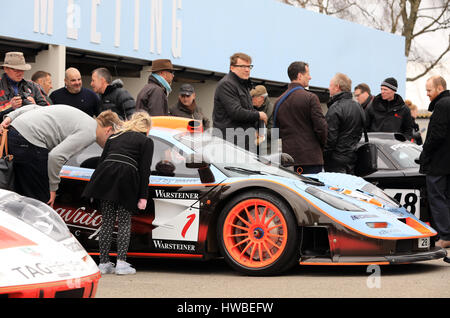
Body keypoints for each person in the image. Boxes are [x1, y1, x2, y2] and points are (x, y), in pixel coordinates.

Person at [0, 105, 121, 207]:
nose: (113, 143)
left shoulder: (82, 117)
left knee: (21, 198)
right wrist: (52, 189)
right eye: (114, 137)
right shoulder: (90, 132)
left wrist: (10, 117)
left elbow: (35, 107)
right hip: (31, 141)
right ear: (108, 130)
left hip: (14, 131)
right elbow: (56, 156)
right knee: (40, 203)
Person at [82, 112, 154, 275]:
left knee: (106, 222)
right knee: (124, 221)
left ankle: (104, 263)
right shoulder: (146, 141)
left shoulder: (114, 137)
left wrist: (93, 186)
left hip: (106, 176)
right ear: (146, 127)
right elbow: (144, 170)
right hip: (127, 178)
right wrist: (143, 196)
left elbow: (101, 162)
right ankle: (121, 263)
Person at [274, 61, 327, 174]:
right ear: (299, 75)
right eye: (308, 74)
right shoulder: (311, 98)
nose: (310, 77)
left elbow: (276, 131)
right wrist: (320, 146)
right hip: (311, 159)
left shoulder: (278, 102)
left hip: (288, 160)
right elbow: (321, 128)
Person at [418, 76, 450, 248]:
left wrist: (425, 153)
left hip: (438, 163)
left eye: (429, 90)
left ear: (439, 88)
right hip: (446, 163)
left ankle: (445, 236)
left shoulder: (442, 105)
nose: (427, 94)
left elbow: (436, 135)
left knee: (437, 199)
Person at [212, 52, 267, 151]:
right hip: (229, 144)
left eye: (249, 66)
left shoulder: (243, 85)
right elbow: (236, 112)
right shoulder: (227, 84)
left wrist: (255, 129)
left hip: (242, 143)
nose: (247, 70)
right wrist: (259, 115)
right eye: (242, 66)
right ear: (232, 68)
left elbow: (248, 110)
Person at [324, 73, 364, 174]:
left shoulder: (335, 108)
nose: (329, 88)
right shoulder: (358, 106)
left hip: (336, 161)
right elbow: (360, 133)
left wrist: (324, 157)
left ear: (337, 87)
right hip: (352, 158)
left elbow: (330, 139)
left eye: (330, 85)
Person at [0, 52, 50, 118]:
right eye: (16, 70)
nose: (20, 73)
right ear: (5, 69)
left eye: (22, 70)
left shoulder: (33, 86)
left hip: (28, 126)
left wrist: (35, 106)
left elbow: (48, 110)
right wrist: (10, 105)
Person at [250, 85, 274, 154]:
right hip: (252, 149)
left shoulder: (272, 110)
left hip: (266, 150)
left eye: (253, 98)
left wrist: (261, 133)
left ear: (261, 98)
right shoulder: (251, 107)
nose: (251, 100)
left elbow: (275, 132)